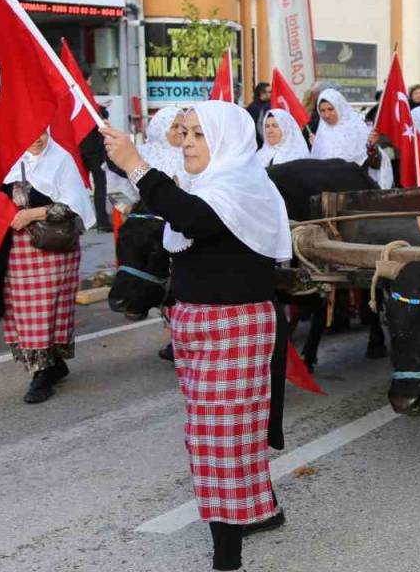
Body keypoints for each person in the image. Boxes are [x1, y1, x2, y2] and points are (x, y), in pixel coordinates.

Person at [102, 101, 291, 571]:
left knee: (223, 444)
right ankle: (260, 511)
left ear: (226, 140)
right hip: (197, 328)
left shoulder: (240, 187)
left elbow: (191, 218)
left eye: (197, 134)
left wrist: (135, 164)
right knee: (218, 439)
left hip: (233, 330)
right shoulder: (210, 185)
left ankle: (227, 559)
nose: (185, 141)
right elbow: (180, 216)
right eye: (183, 132)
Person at [0, 132, 96, 404]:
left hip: (53, 249)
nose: (37, 139)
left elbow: (74, 206)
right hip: (16, 251)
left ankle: (43, 373)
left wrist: (33, 213)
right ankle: (49, 366)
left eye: (42, 132)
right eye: (29, 131)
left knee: (48, 309)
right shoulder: (10, 160)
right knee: (22, 309)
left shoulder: (60, 159)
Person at [312, 89, 393, 188]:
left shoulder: (357, 129)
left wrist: (371, 147)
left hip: (356, 190)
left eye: (330, 109)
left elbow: (375, 165)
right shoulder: (321, 134)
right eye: (322, 111)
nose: (326, 115)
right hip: (329, 192)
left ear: (339, 107)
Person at [79, 93, 114, 232]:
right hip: (95, 150)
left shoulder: (75, 102)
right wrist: (101, 107)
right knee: (100, 186)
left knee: (80, 187)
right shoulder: (91, 104)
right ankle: (102, 221)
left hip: (80, 149)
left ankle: (81, 222)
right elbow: (103, 118)